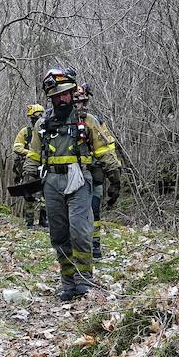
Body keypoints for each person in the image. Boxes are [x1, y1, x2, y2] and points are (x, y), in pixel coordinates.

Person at [24, 68, 121, 300]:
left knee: (80, 231)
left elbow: (105, 150)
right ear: (51, 98)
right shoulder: (43, 123)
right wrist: (28, 178)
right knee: (59, 234)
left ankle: (84, 280)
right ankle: (68, 282)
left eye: (65, 94)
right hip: (51, 182)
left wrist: (115, 178)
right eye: (56, 96)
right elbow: (34, 154)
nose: (61, 99)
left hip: (79, 181)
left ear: (71, 92)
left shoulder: (86, 121)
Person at [74, 84, 122, 258]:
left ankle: (95, 245)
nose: (80, 105)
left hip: (95, 174)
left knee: (95, 210)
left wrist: (115, 176)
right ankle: (78, 247)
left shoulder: (96, 121)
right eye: (77, 102)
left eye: (83, 101)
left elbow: (107, 149)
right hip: (71, 176)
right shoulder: (60, 121)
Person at [12, 103, 47, 227]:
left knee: (45, 193)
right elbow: (17, 147)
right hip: (29, 165)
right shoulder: (25, 132)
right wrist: (30, 153)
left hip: (45, 165)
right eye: (33, 118)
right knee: (28, 193)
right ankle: (29, 221)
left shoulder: (47, 130)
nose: (35, 120)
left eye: (37, 117)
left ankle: (44, 220)